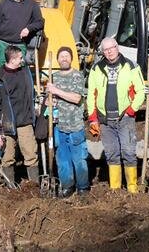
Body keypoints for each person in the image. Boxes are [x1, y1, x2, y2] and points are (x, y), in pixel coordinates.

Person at [86, 37, 146, 193]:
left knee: (128, 152)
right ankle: (115, 190)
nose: (109, 52)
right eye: (105, 50)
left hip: (125, 119)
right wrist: (93, 118)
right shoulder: (96, 69)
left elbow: (141, 91)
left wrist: (131, 111)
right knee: (111, 154)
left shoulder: (131, 66)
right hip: (105, 120)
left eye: (111, 48)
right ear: (103, 52)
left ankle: (132, 188)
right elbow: (91, 95)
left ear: (117, 47)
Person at [0, 45, 40, 185]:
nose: (22, 60)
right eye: (20, 58)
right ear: (12, 60)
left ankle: (34, 185)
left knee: (31, 155)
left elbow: (32, 93)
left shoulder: (25, 72)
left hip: (25, 121)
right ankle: (10, 187)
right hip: (7, 124)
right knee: (7, 158)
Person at [45, 46, 89, 197]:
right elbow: (48, 101)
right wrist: (49, 101)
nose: (64, 58)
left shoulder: (77, 76)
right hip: (59, 126)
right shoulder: (53, 77)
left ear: (71, 59)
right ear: (57, 60)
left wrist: (56, 91)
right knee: (62, 160)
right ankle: (67, 186)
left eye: (67, 56)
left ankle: (83, 187)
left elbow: (76, 98)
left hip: (75, 125)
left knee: (79, 159)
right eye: (61, 56)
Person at [0, 0, 45, 68]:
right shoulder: (3, 4)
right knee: (2, 71)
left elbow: (40, 22)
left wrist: (28, 28)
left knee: (19, 71)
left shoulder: (32, 4)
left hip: (20, 44)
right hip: (3, 44)